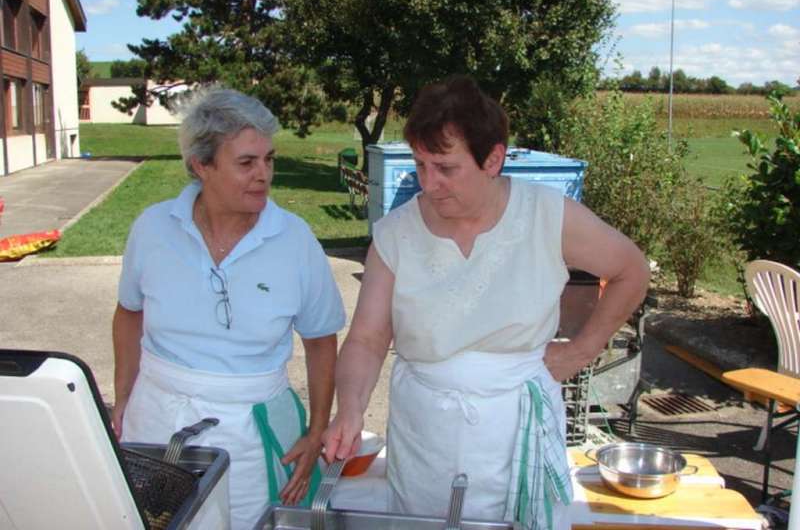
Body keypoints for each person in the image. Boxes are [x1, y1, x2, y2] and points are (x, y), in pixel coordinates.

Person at [322, 76, 650, 529]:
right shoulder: (396, 234)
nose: (428, 183)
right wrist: (352, 407)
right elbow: (367, 338)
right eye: (419, 165)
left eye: (445, 167)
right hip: (425, 432)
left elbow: (632, 270)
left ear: (492, 159)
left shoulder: (546, 215)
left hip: (515, 421)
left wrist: (580, 350)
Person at [112, 87, 345, 529]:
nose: (264, 174)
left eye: (269, 159)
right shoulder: (154, 229)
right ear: (202, 166)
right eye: (246, 163)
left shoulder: (294, 239)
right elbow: (128, 313)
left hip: (250, 427)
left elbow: (320, 340)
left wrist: (316, 431)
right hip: (158, 416)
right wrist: (123, 394)